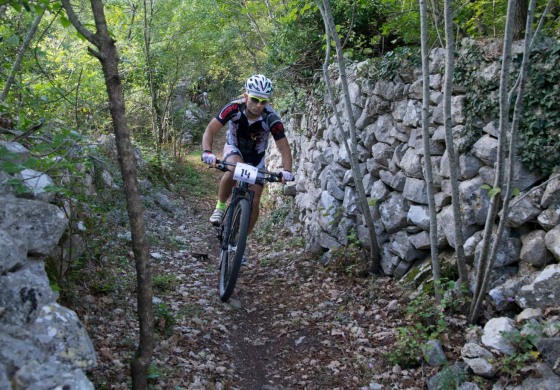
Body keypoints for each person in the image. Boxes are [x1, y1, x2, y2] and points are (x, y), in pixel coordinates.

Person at [201, 74, 294, 252]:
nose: (259, 105)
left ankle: (239, 244)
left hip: (256, 159)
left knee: (255, 200)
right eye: (255, 99)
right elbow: (210, 130)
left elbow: (284, 148)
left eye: (263, 102)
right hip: (234, 149)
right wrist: (207, 152)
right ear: (246, 96)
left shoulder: (271, 119)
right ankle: (220, 207)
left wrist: (287, 170)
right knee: (234, 169)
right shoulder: (233, 108)